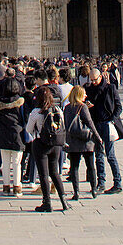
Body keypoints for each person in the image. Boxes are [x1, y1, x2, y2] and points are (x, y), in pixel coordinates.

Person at [25, 84, 69, 213]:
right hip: (55, 144)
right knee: (54, 172)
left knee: (43, 174)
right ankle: (63, 200)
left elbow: (28, 129)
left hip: (40, 143)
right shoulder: (57, 110)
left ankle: (47, 202)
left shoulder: (36, 112)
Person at [86, 67, 123, 195]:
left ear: (100, 77)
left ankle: (117, 183)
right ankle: (101, 182)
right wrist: (88, 106)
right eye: (91, 80)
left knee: (110, 155)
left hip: (107, 124)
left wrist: (111, 120)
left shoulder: (110, 88)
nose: (93, 82)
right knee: (99, 155)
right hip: (96, 125)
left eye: (95, 80)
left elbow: (118, 107)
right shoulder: (89, 89)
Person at [63, 84, 102, 201]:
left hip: (73, 140)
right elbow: (90, 123)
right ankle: (94, 189)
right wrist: (97, 136)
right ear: (80, 95)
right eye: (84, 93)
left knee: (74, 167)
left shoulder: (67, 108)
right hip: (85, 140)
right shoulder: (83, 106)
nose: (86, 95)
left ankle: (76, 192)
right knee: (90, 165)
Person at [0, 75, 26, 196]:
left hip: (2, 133)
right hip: (17, 133)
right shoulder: (21, 103)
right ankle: (17, 187)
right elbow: (24, 119)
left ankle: (6, 187)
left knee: (5, 162)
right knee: (17, 162)